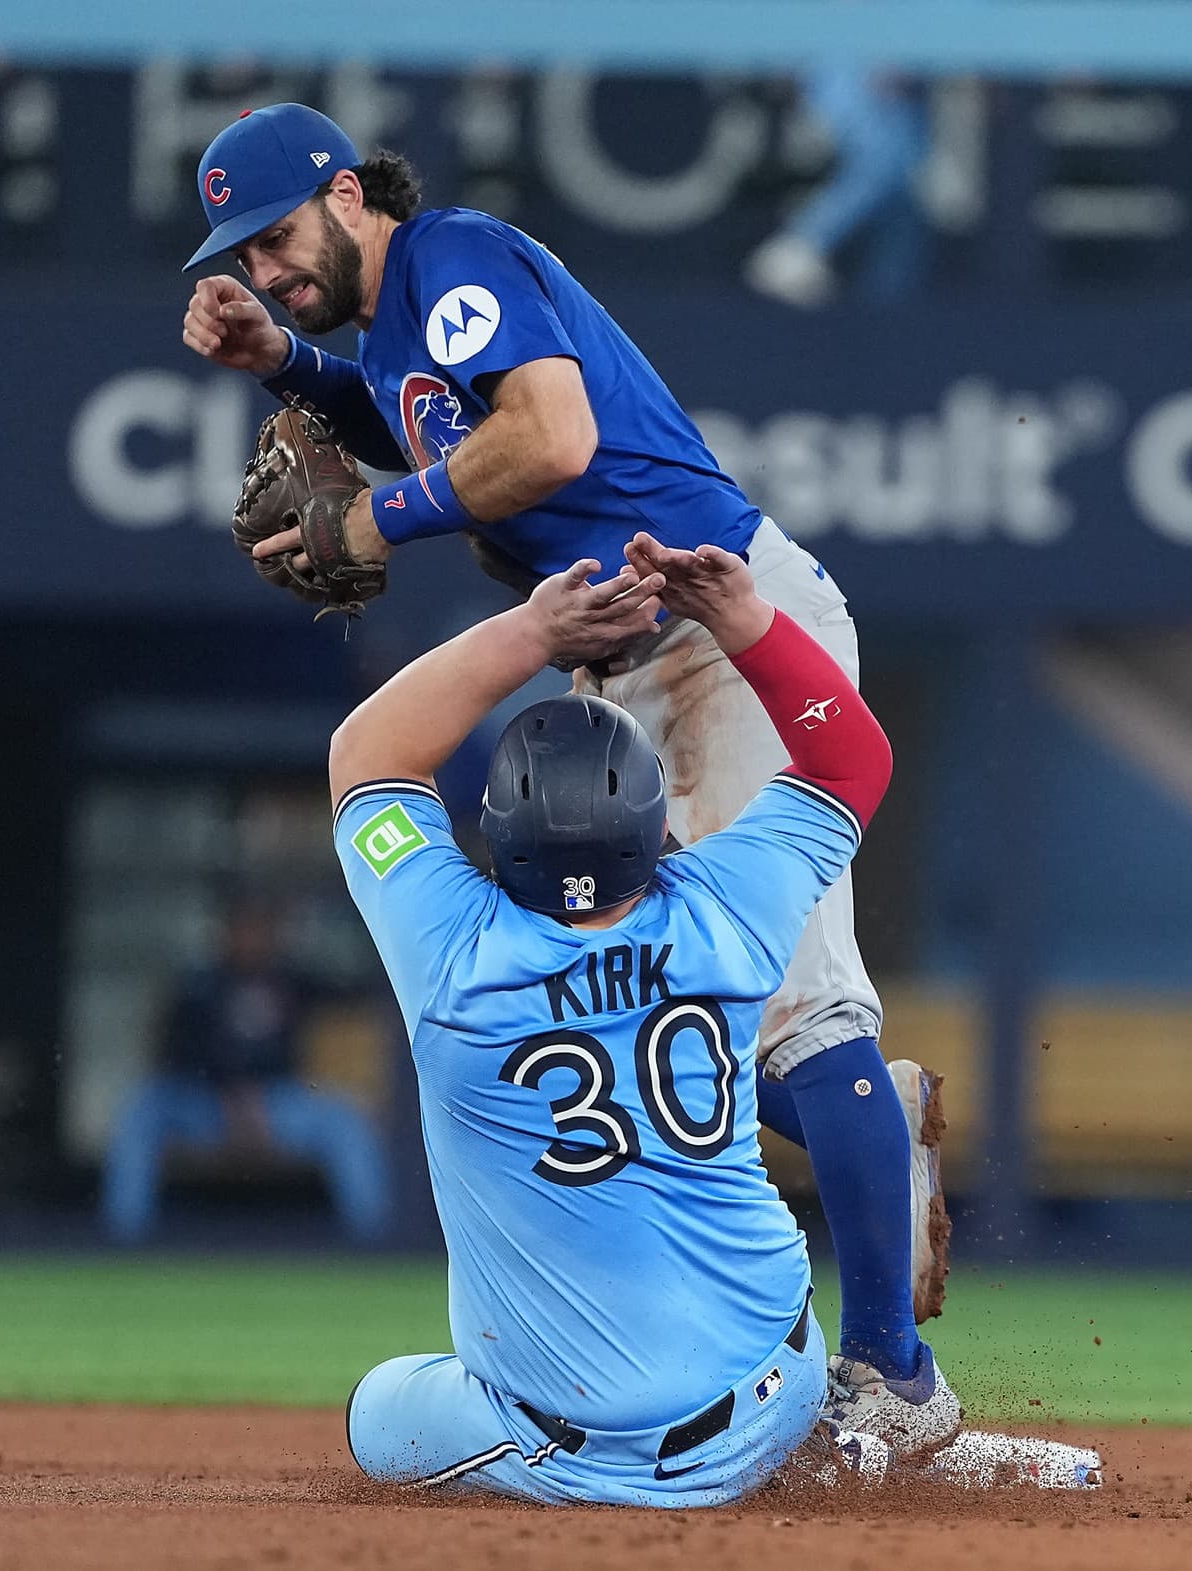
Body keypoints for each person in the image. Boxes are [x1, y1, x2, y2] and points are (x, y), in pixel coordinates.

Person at [175, 103, 953, 1448]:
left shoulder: (456, 259)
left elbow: (550, 439)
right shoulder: (400, 320)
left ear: (349, 194)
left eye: (280, 237)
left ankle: (896, 1381)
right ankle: (872, 1118)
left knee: (796, 1012)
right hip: (634, 659)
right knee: (650, 999)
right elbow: (426, 430)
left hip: (723, 624)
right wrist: (290, 362)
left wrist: (365, 517)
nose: (265, 264)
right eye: (241, 254)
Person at [332, 537, 931, 1501]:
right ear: (660, 824)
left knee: (377, 1411)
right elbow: (852, 752)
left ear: (493, 833)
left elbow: (365, 755)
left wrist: (537, 629)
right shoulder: (728, 906)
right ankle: (834, 1428)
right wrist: (744, 619)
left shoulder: (448, 952)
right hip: (779, 1389)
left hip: (570, 1450)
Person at [100, 897, 388, 1244]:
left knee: (346, 1124)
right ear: (225, 935)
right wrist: (229, 1094)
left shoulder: (292, 981)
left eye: (260, 930)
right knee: (141, 1112)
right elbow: (174, 1056)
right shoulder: (198, 987)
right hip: (205, 1104)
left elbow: (356, 990)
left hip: (275, 1105)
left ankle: (375, 1245)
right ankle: (124, 1241)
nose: (252, 939)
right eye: (244, 930)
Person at [745, 61, 931, 309]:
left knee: (902, 203)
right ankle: (800, 246)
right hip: (846, 68)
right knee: (885, 159)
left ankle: (885, 318)